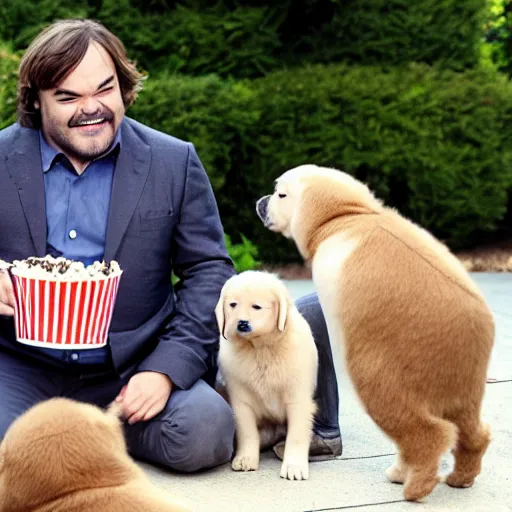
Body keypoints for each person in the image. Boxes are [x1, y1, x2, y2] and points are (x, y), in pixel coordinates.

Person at [0, 18, 341, 472]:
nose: (91, 108)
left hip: (132, 367)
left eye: (104, 89)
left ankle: (80, 433)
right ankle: (79, 434)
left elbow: (208, 272)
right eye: (67, 97)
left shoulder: (172, 161)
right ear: (36, 100)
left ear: (123, 87)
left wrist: (163, 370)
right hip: (20, 366)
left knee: (205, 433)